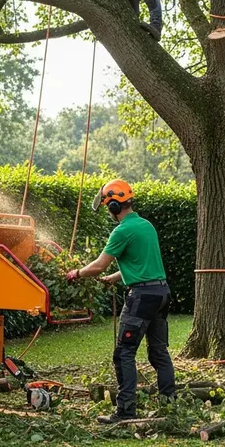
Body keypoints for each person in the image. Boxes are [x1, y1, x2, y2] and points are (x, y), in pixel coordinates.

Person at [66, 179, 175, 423]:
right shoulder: (146, 225)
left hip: (142, 298)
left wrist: (77, 273)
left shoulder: (122, 230)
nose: (108, 210)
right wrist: (116, 277)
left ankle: (125, 411)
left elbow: (98, 265)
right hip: (161, 292)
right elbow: (143, 264)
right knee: (159, 352)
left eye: (107, 206)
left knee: (124, 353)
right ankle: (169, 406)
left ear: (114, 206)